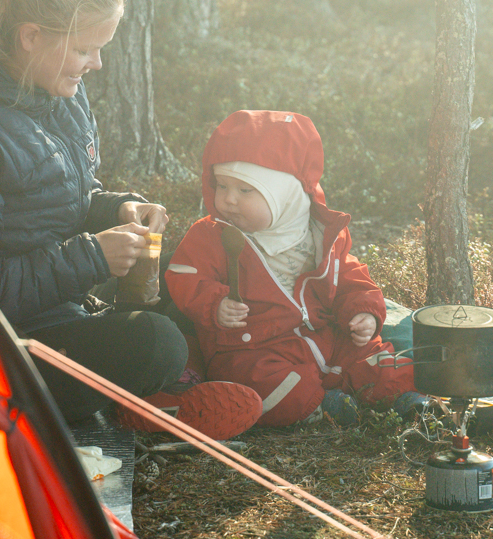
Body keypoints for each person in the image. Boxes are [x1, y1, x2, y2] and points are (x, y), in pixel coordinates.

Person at [0, 0, 261, 439]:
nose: (97, 64)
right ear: (31, 37)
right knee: (156, 342)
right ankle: (158, 395)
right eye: (85, 49)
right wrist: (91, 258)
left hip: (64, 304)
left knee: (190, 273)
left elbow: (62, 200)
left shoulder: (55, 92)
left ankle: (161, 390)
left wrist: (118, 210)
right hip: (1, 349)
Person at [165, 109, 426, 428]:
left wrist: (364, 311)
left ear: (285, 193)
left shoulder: (319, 233)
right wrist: (214, 303)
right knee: (257, 383)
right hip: (251, 346)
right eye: (221, 186)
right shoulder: (212, 236)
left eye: (245, 190)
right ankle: (322, 407)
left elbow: (350, 275)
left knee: (370, 356)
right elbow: (184, 274)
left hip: (326, 337)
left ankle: (408, 398)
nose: (228, 200)